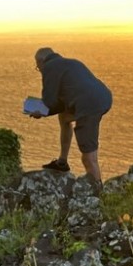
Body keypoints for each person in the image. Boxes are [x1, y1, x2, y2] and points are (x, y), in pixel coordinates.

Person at [29, 46, 113, 183]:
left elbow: (49, 101)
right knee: (64, 117)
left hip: (88, 107)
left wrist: (40, 112)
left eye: (38, 67)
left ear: (41, 61)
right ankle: (62, 162)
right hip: (104, 97)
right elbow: (63, 102)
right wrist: (47, 111)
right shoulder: (72, 63)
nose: (39, 71)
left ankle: (98, 194)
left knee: (88, 158)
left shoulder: (49, 68)